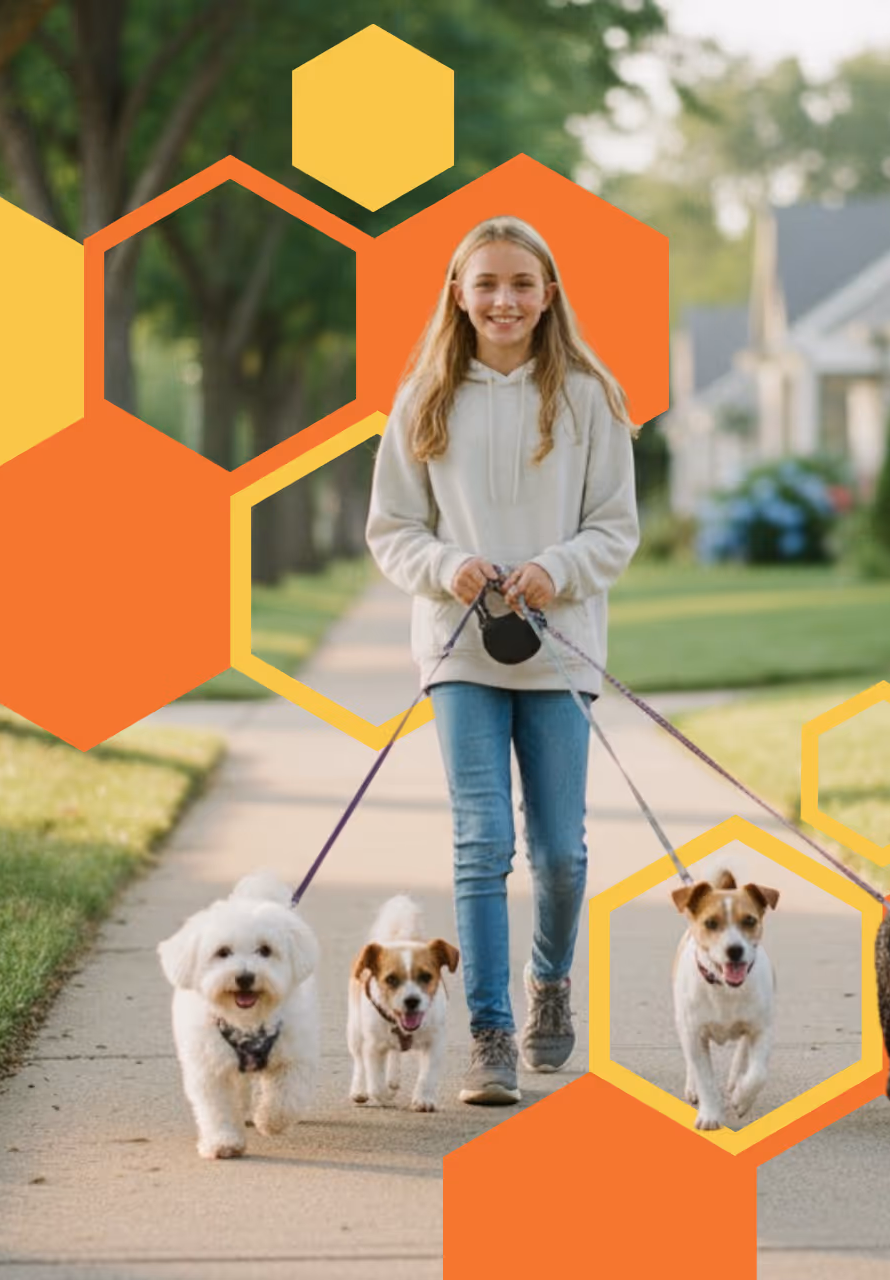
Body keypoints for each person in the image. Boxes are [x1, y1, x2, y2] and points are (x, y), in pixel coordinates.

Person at [365, 215, 639, 1105]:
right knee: (481, 840)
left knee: (559, 854)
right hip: (460, 648)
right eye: (485, 283)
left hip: (559, 649)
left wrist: (556, 569)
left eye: (522, 283)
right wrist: (447, 564)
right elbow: (393, 529)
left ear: (548, 294)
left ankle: (547, 979)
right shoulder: (424, 398)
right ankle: (487, 1031)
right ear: (457, 293)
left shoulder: (591, 397)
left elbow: (615, 528)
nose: (504, 300)